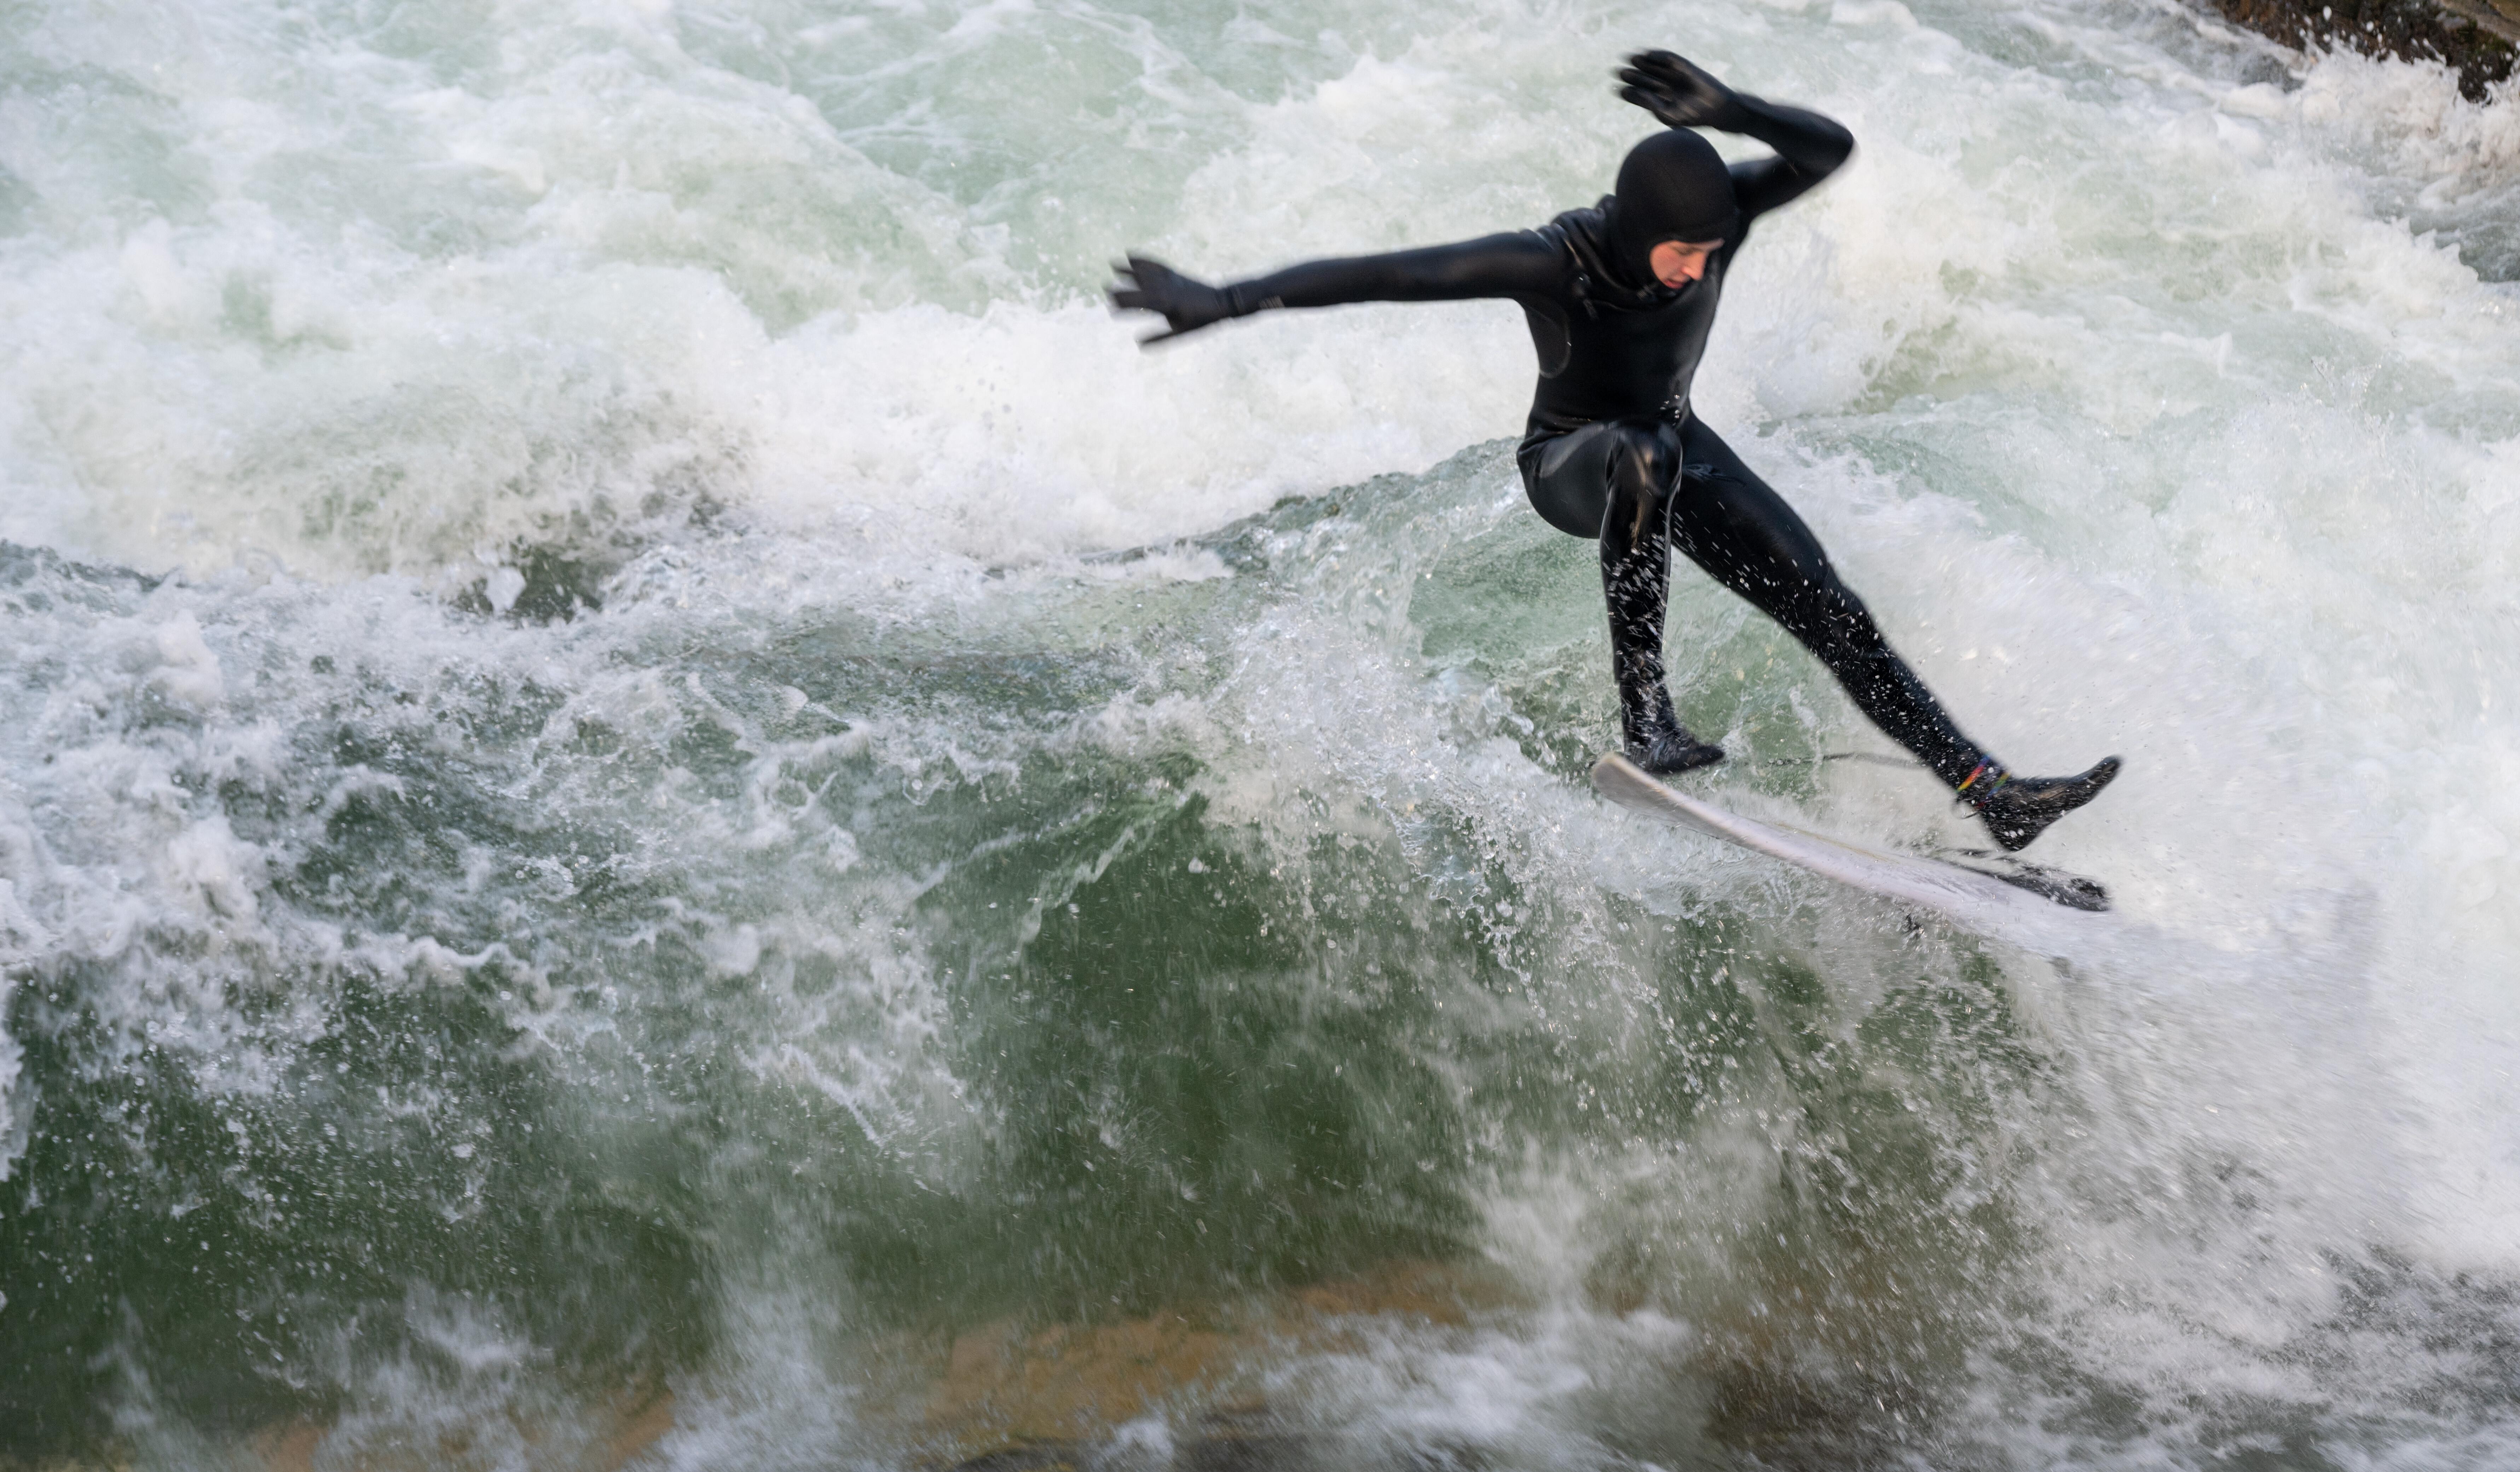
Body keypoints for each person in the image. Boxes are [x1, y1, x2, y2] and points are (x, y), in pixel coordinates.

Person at [1109, 51, 2117, 851]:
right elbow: (1386, 273)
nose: (1697, 269)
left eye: (1712, 252)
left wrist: (1731, 111)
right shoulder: (1556, 260)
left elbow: (1826, 149)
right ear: (1634, 229)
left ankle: (1990, 791)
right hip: (1572, 464)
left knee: (1830, 606)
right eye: (1681, 252)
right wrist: (1225, 300)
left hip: (1673, 444)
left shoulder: (1713, 225)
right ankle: (1647, 717)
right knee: (1640, 452)